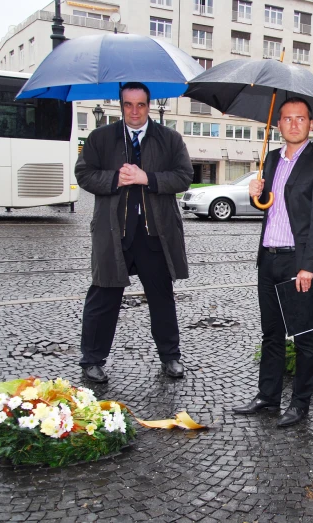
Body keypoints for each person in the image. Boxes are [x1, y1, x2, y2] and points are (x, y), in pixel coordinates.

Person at [75, 82, 193, 384]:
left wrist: (147, 178)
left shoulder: (169, 138)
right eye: (129, 104)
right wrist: (117, 179)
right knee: (103, 297)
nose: (135, 111)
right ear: (120, 105)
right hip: (114, 233)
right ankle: (92, 360)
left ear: (149, 105)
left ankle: (170, 358)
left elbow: (184, 176)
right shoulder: (101, 138)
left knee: (162, 298)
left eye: (140, 104)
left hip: (155, 234)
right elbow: (84, 174)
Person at [233, 98, 313, 427]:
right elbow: (268, 206)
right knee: (272, 334)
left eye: (300, 119)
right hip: (268, 257)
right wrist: (256, 193)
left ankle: (300, 403)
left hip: (298, 261)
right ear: (278, 124)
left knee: (304, 337)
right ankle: (268, 396)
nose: (294, 124)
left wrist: (309, 266)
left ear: (311, 124)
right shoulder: (272, 160)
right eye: (287, 119)